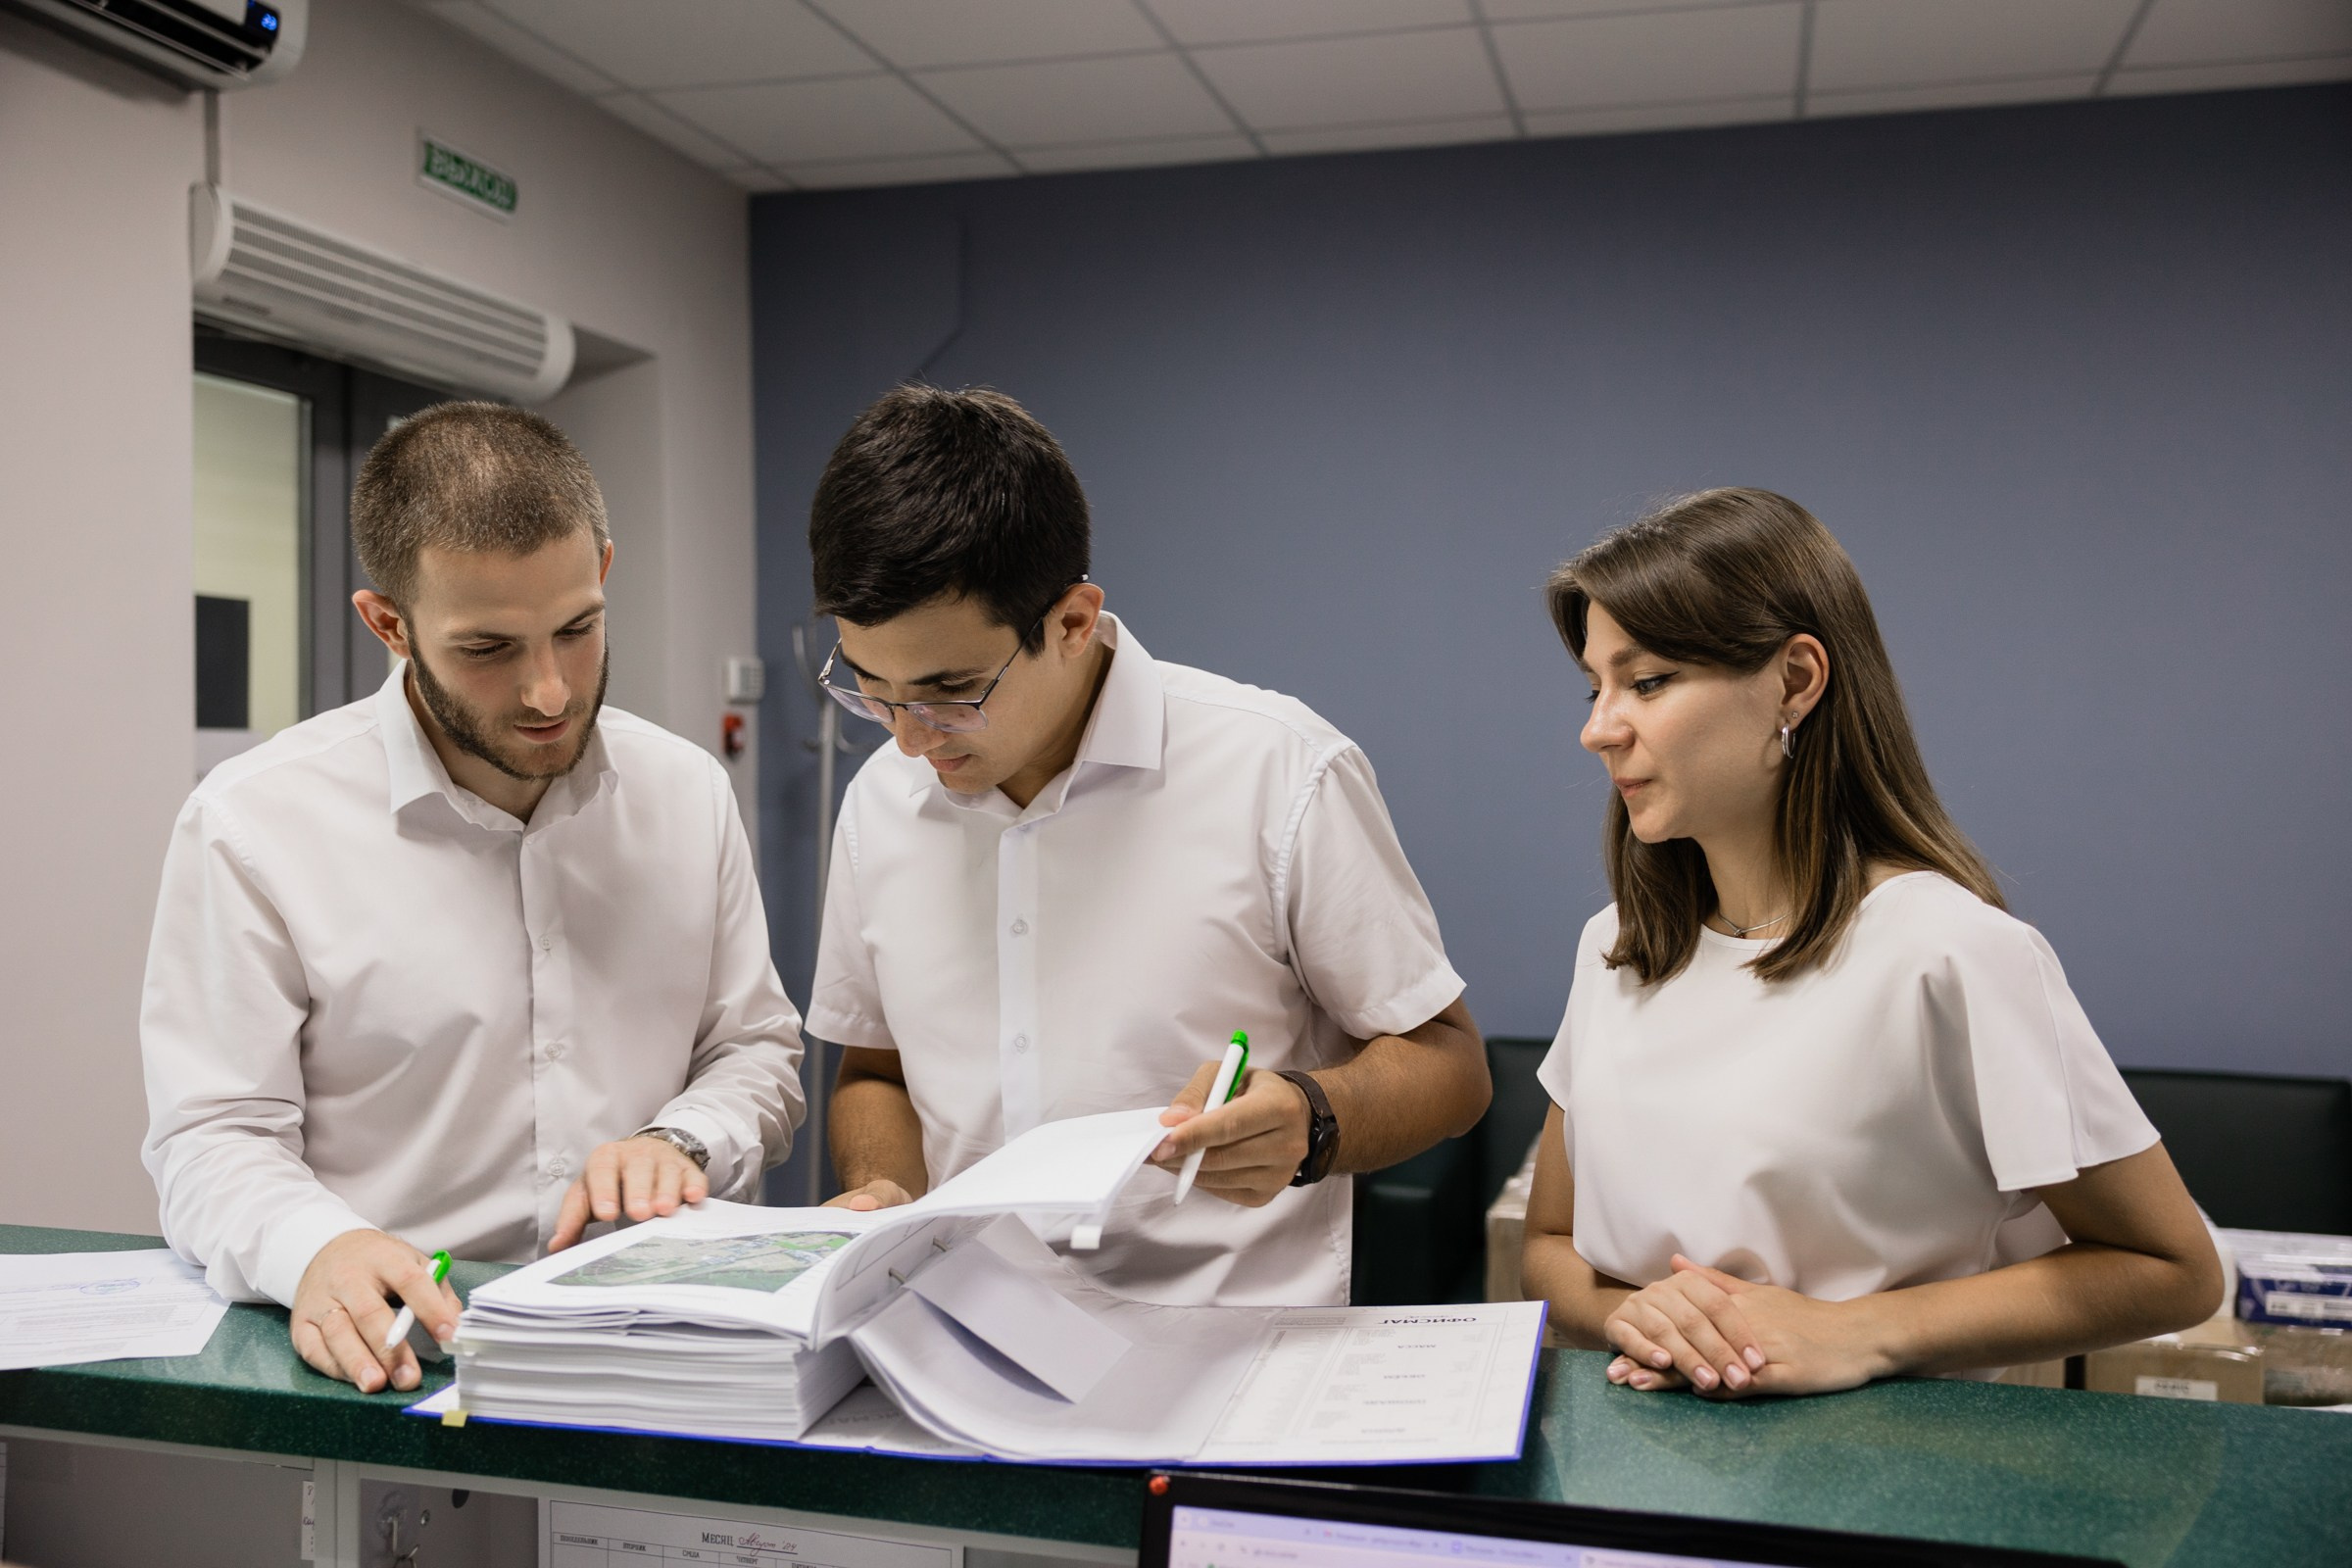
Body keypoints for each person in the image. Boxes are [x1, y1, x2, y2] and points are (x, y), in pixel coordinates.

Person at [142, 404, 805, 1396]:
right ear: (389, 624)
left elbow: (755, 1050)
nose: (548, 691)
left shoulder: (686, 793)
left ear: (606, 573)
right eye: (489, 648)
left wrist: (682, 1140)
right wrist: (314, 1245)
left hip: (655, 1352)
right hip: (393, 1368)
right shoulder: (253, 824)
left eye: (577, 629)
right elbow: (213, 1135)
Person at [1522, 488, 2221, 1396]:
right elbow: (1546, 1246)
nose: (1597, 729)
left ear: (1797, 681)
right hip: (1635, 1495)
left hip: (1884, 1491)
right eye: (1596, 686)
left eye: (1647, 682)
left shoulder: (1953, 954)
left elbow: (2172, 1268)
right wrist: (1632, 1311)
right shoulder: (1616, 947)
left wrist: (1859, 1334)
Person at [804, 384, 1489, 1305]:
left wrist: (1313, 1119)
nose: (908, 739)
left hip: (1228, 1355)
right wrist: (889, 1187)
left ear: (1073, 622)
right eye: (870, 688)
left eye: (951, 690)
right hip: (962, 1345)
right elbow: (876, 1069)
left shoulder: (1277, 770)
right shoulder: (880, 801)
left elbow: (1449, 1064)